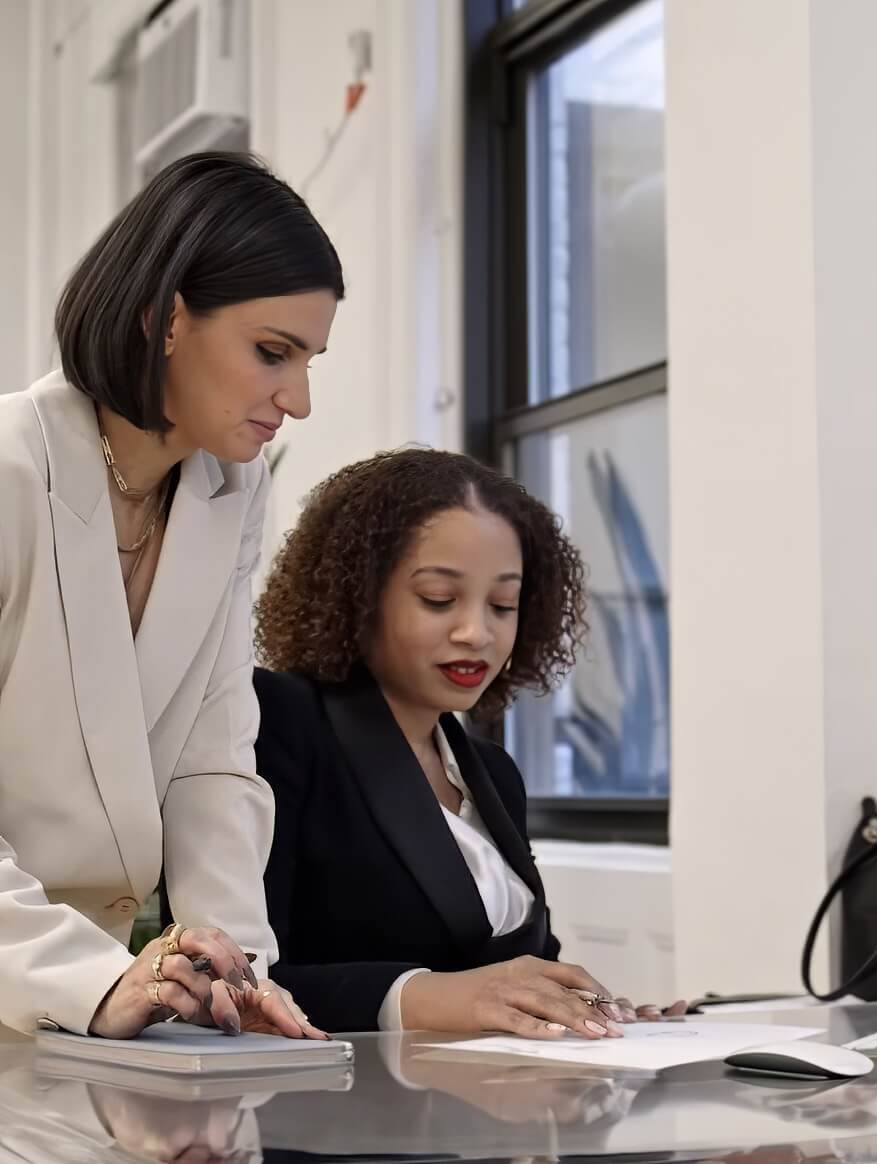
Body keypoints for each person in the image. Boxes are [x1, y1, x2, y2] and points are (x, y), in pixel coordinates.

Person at [0, 152, 341, 1040]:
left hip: (76, 1023)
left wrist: (238, 970)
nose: (296, 400)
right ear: (164, 320)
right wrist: (86, 982)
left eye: (309, 360)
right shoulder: (7, 471)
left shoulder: (231, 489)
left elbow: (212, 759)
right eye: (273, 352)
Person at [253, 449, 686, 1035]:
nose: (476, 632)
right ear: (357, 596)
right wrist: (424, 997)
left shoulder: (492, 774)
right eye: (438, 598)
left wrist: (594, 1014)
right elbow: (241, 977)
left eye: (503, 605)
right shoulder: (281, 722)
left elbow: (521, 976)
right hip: (334, 1111)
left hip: (489, 1111)